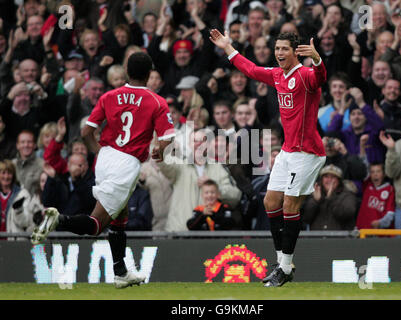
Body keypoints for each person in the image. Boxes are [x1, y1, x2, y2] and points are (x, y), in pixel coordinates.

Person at [31, 52, 175, 288]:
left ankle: (120, 272)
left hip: (105, 157)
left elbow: (87, 132)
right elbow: (167, 136)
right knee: (97, 224)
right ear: (149, 74)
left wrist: (99, 152)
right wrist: (159, 149)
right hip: (127, 164)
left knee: (120, 216)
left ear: (127, 71)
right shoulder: (157, 102)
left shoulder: (110, 96)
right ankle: (59, 221)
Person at [209, 29, 327, 286]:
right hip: (287, 150)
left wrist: (317, 59)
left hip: (308, 152)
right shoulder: (277, 75)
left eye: (284, 49)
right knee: (270, 202)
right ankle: (282, 262)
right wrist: (228, 48)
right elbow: (250, 69)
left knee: (289, 206)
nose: (279, 53)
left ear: (295, 52)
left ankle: (285, 268)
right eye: (277, 49)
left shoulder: (305, 75)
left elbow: (320, 77)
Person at [302, 164, 358, 230]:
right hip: (317, 238)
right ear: (321, 179)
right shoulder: (315, 193)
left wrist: (331, 198)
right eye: (326, 177)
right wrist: (315, 201)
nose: (329, 180)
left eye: (333, 177)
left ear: (339, 181)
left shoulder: (347, 195)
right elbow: (306, 218)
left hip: (340, 238)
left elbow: (346, 214)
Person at [355, 163, 395, 230]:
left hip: (380, 234)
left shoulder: (390, 190)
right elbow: (362, 170)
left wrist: (380, 223)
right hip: (363, 231)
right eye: (372, 172)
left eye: (378, 171)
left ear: (384, 174)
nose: (375, 174)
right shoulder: (367, 186)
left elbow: (390, 214)